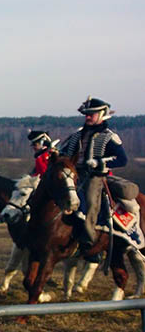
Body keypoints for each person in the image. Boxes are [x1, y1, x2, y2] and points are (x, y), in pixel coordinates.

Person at [57, 97, 139, 247]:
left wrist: (100, 162)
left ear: (101, 115)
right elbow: (64, 152)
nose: (87, 117)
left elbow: (122, 159)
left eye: (91, 114)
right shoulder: (77, 135)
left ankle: (90, 238)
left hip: (95, 176)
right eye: (86, 114)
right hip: (74, 174)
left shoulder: (108, 136)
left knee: (89, 202)